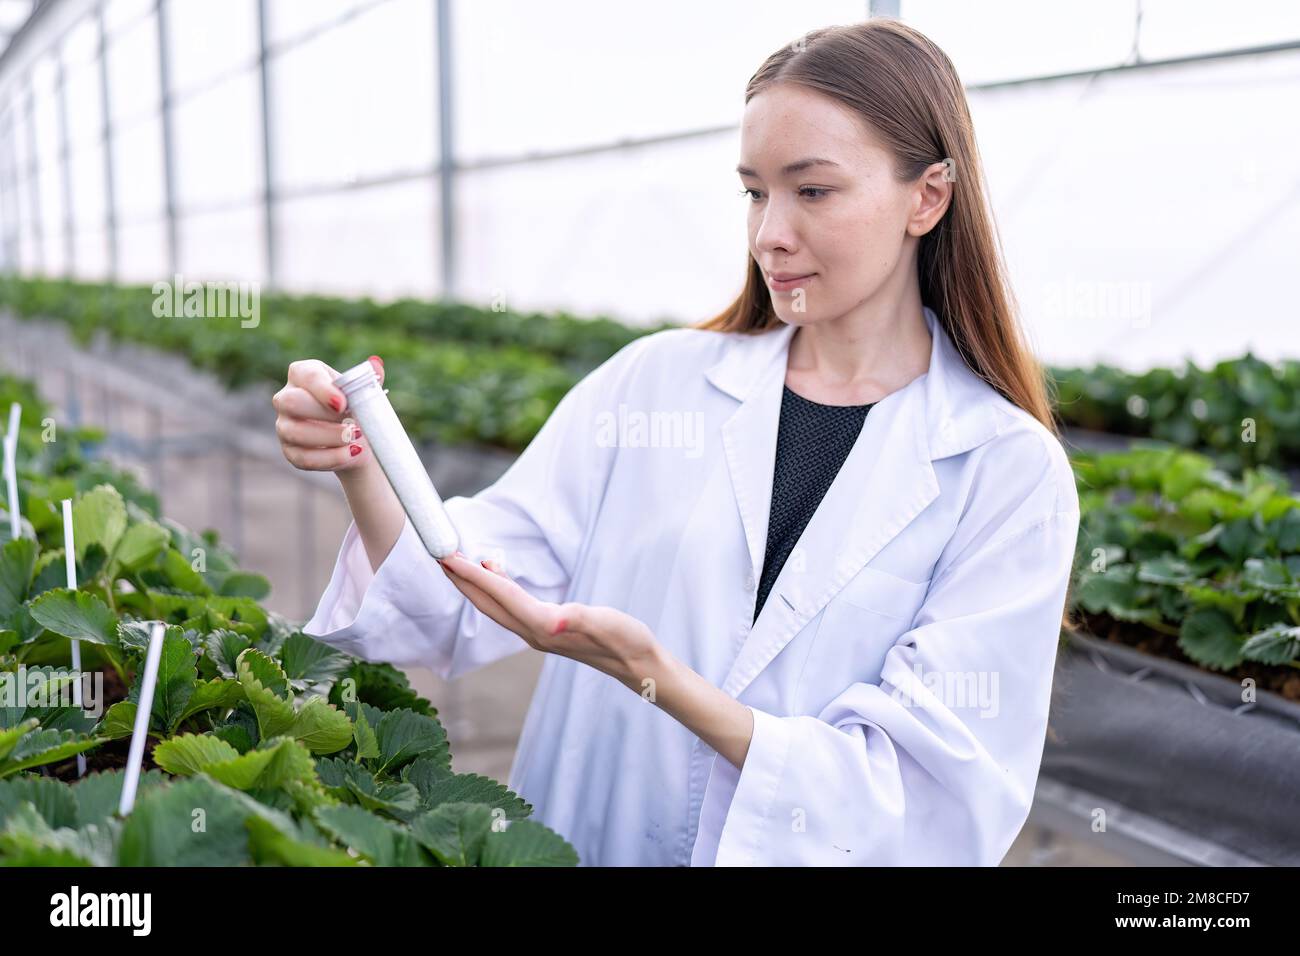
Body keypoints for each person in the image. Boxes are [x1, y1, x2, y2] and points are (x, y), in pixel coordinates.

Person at [274, 19, 1081, 866]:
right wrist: (358, 460)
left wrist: (658, 676)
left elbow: (930, 802)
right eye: (754, 191)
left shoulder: (1005, 471)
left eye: (813, 191)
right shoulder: (656, 384)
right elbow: (453, 601)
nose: (770, 232)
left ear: (929, 196)